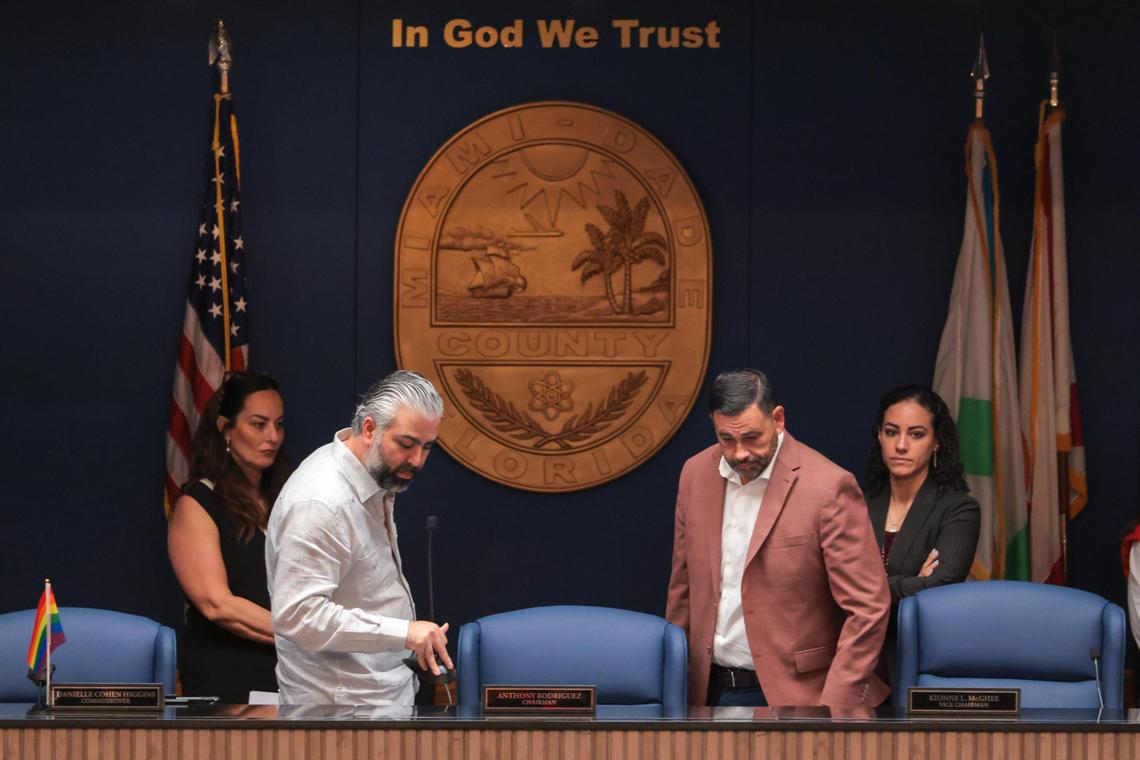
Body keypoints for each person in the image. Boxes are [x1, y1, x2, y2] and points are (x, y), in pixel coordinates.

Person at [666, 369, 890, 707]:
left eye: (752, 437)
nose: (740, 453)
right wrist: (673, 691)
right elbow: (681, 591)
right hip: (706, 694)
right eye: (726, 439)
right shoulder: (694, 475)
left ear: (778, 419)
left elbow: (868, 608)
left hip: (801, 699)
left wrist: (833, 709)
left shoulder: (828, 487)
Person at [265, 369, 453, 705]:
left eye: (427, 447)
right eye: (406, 444)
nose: (417, 460)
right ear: (369, 429)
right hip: (339, 712)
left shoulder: (370, 474)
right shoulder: (322, 501)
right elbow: (297, 615)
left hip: (374, 699)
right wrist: (404, 632)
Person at [167, 371, 290, 703]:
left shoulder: (288, 496)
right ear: (225, 428)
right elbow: (217, 605)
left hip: (298, 668)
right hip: (230, 673)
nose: (273, 437)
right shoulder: (198, 502)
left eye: (279, 425)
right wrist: (306, 636)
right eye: (259, 424)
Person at [862, 385, 979, 690]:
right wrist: (914, 582)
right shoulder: (855, 503)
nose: (901, 445)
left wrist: (864, 586)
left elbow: (941, 586)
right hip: (855, 660)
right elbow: (830, 586)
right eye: (892, 432)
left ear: (937, 441)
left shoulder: (958, 509)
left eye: (916, 434)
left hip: (920, 662)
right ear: (879, 436)